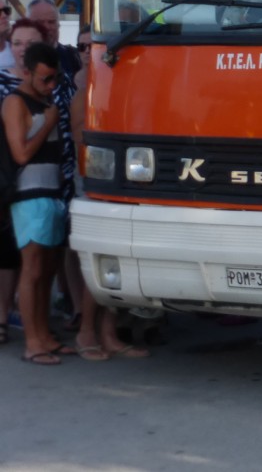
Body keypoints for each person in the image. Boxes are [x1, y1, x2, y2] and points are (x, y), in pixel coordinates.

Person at [69, 27, 148, 360]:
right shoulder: (81, 93)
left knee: (118, 261)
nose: (92, 52)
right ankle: (87, 331)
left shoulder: (117, 85)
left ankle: (108, 332)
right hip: (96, 183)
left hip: (119, 184)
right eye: (84, 46)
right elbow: (80, 147)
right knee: (98, 263)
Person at [4, 42, 73, 365]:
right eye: (45, 79)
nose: (51, 85)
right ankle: (32, 343)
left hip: (51, 193)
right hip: (28, 195)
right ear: (28, 72)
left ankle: (44, 334)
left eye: (55, 78)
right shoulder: (15, 103)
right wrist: (46, 123)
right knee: (31, 270)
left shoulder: (45, 100)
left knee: (46, 270)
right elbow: (20, 153)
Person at [26, 0, 80, 82]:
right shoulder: (18, 56)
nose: (46, 27)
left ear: (58, 24)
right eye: (39, 22)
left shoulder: (74, 57)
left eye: (51, 22)